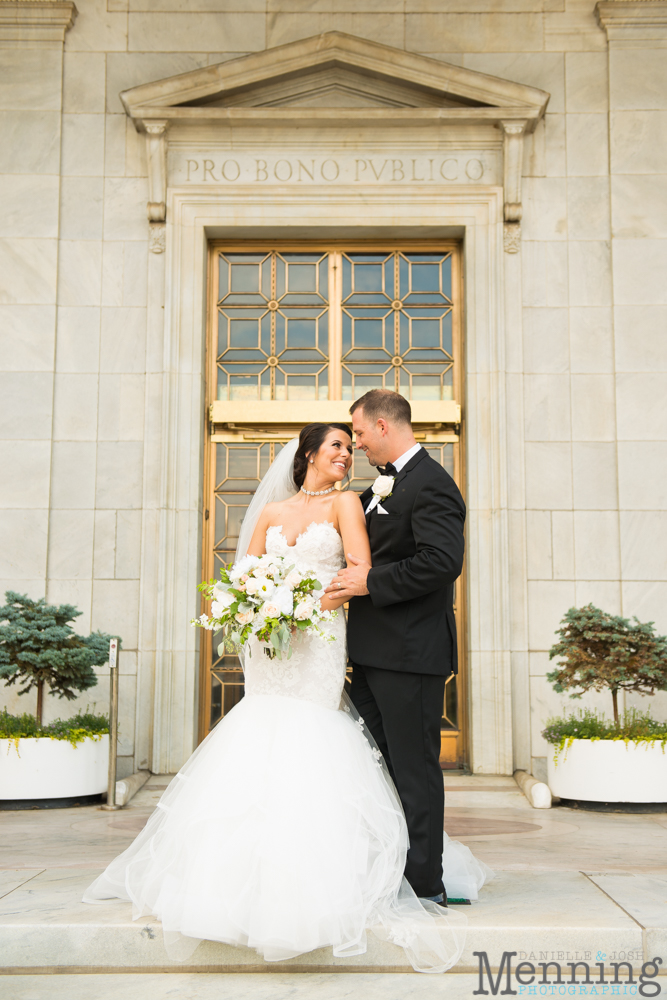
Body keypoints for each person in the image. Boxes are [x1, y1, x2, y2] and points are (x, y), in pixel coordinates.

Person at [83, 421, 490, 972]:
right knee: (267, 745)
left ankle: (396, 878)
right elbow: (245, 573)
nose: (350, 452)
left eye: (354, 442)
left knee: (335, 750)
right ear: (307, 455)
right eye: (339, 446)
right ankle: (245, 874)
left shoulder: (353, 502)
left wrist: (298, 609)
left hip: (318, 640)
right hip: (273, 649)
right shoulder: (279, 511)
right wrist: (250, 607)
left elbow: (359, 572)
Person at [325, 389, 465, 906]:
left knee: (414, 771)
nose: (356, 443)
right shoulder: (382, 485)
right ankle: (388, 870)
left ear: (383, 427)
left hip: (411, 657)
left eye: (359, 433)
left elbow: (441, 561)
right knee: (375, 768)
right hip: (371, 656)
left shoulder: (432, 484)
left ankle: (426, 887)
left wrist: (370, 582)